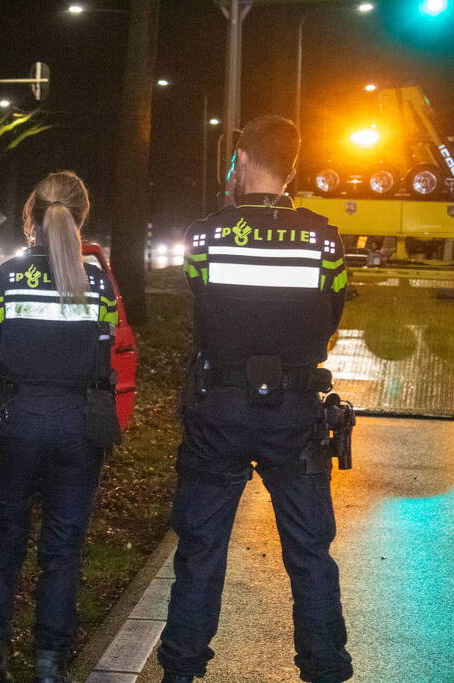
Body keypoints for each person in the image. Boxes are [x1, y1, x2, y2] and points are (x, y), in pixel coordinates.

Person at [157, 115, 352, 683]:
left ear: (240, 160)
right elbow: (334, 308)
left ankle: (181, 671)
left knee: (201, 546)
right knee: (310, 551)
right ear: (293, 165)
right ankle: (325, 670)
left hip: (218, 407)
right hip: (294, 411)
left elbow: (199, 294)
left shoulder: (207, 232)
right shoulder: (324, 236)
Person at [0, 170, 119, 683]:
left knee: (4, 544)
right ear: (81, 217)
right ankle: (50, 667)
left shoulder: (2, 277)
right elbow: (103, 357)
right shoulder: (99, 285)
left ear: (30, 217)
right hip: (78, 430)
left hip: (13, 426)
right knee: (64, 550)